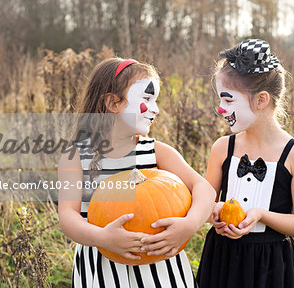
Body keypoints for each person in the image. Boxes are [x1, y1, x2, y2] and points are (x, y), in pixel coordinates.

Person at [58, 57, 216, 288]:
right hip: (104, 269)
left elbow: (204, 189)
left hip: (160, 271)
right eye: (147, 99)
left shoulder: (157, 153)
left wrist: (189, 224)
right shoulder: (77, 157)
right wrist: (103, 238)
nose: (156, 109)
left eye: (156, 100)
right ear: (113, 103)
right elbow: (68, 217)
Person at [196, 39, 294, 288]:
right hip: (223, 260)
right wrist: (215, 213)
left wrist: (261, 215)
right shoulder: (222, 148)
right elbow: (204, 205)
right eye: (220, 100)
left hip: (270, 266)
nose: (220, 109)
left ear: (261, 100)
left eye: (228, 101)